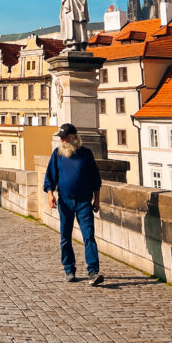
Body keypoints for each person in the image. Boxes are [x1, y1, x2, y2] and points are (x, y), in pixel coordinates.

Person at [43, 122, 104, 285]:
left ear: (74, 138)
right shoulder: (57, 154)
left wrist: (96, 199)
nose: (62, 140)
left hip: (84, 201)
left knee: (89, 236)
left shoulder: (86, 154)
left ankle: (93, 271)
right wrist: (50, 195)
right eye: (61, 138)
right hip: (65, 201)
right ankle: (69, 269)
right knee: (65, 237)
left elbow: (95, 178)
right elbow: (50, 177)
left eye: (65, 137)